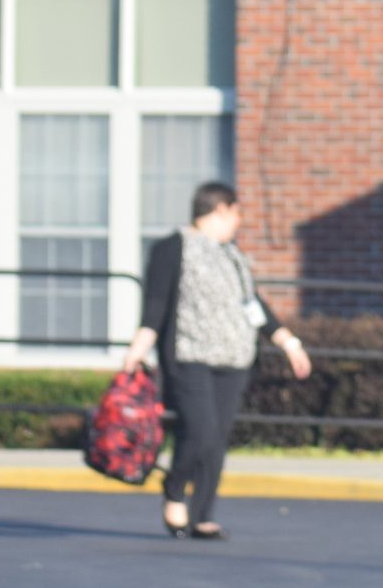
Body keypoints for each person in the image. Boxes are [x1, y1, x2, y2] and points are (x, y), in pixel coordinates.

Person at [121, 181, 311, 541]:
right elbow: (156, 304)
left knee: (217, 438)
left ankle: (202, 515)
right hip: (190, 355)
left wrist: (288, 342)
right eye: (237, 213)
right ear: (221, 209)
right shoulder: (173, 248)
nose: (239, 222)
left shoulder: (232, 256)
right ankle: (175, 489)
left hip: (234, 359)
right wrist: (138, 348)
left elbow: (253, 306)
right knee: (201, 428)